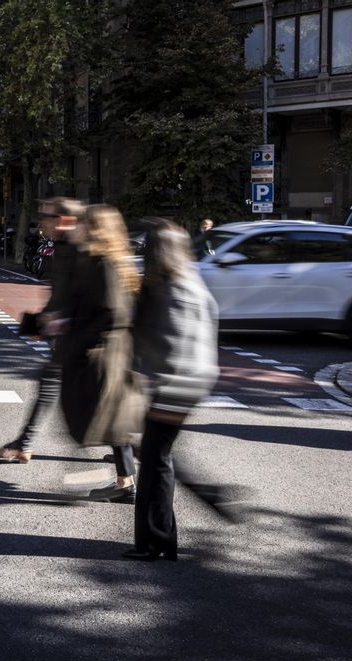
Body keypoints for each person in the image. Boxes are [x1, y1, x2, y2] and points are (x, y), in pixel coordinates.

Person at [125, 219, 220, 561]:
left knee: (154, 463)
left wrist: (144, 376)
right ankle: (163, 537)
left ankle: (154, 542)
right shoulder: (189, 278)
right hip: (192, 381)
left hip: (175, 384)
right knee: (158, 459)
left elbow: (168, 341)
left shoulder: (167, 288)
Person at [59, 204, 145, 503]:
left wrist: (79, 343)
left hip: (103, 355)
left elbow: (112, 313)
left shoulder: (103, 263)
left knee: (102, 417)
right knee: (113, 420)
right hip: (108, 353)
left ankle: (126, 481)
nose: (77, 228)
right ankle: (126, 481)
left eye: (82, 223)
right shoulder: (100, 260)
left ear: (95, 228)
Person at [0, 197, 84, 463]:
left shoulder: (78, 250)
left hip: (80, 338)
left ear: (64, 221)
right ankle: (25, 442)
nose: (41, 223)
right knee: (52, 387)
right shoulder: (63, 248)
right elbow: (60, 294)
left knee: (91, 397)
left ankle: (128, 450)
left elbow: (83, 297)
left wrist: (56, 321)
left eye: (47, 217)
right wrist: (43, 322)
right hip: (67, 335)